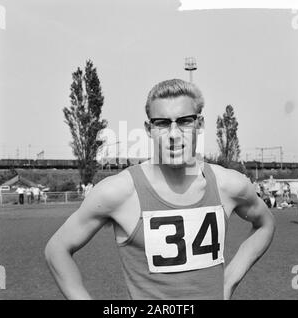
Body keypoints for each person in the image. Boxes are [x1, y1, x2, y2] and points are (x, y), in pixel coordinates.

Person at [45, 79, 275, 300]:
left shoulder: (229, 185)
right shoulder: (119, 192)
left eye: (185, 121)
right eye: (163, 123)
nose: (174, 134)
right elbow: (57, 250)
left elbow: (265, 223)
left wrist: (228, 282)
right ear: (149, 128)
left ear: (200, 124)